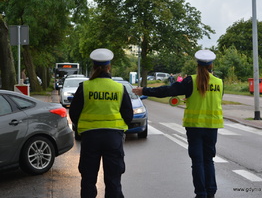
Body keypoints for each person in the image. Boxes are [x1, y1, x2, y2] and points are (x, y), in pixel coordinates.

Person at [132, 50, 223, 198]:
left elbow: (168, 90)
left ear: (197, 64)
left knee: (198, 162)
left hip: (194, 127)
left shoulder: (190, 81)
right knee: (208, 160)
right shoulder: (219, 83)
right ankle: (211, 192)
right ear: (212, 65)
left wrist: (144, 90)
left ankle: (201, 193)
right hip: (212, 127)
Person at [69, 48, 133, 198]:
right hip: (113, 138)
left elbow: (74, 113)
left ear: (93, 67)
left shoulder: (85, 87)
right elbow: (128, 115)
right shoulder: (119, 88)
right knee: (113, 180)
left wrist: (83, 126)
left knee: (88, 180)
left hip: (90, 138)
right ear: (109, 67)